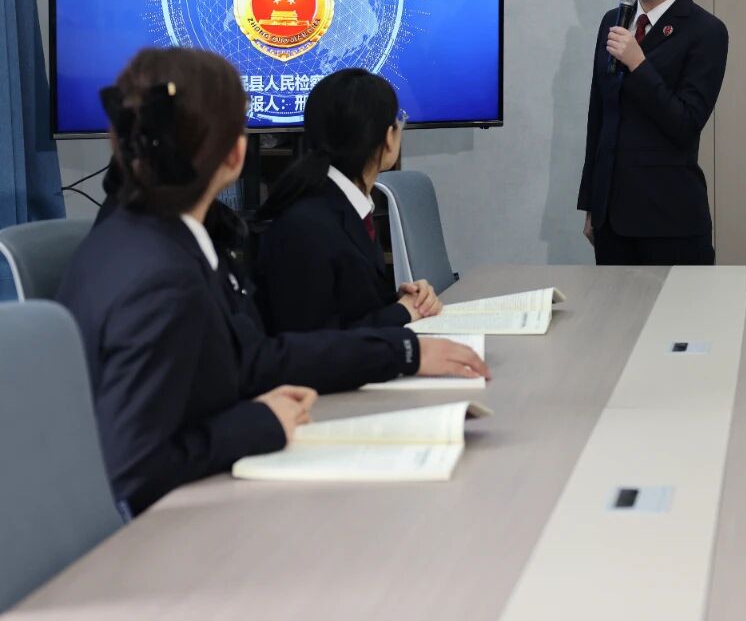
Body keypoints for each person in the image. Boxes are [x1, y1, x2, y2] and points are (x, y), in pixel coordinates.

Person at [60, 49, 487, 516]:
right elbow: (133, 469)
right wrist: (259, 423)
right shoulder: (162, 276)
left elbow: (255, 357)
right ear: (235, 153)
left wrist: (404, 353)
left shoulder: (159, 234)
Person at [577, 0, 729, 266]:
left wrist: (638, 63)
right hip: (611, 220)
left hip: (669, 219)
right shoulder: (614, 21)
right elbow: (599, 118)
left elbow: (685, 123)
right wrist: (592, 204)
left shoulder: (706, 31)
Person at [255, 69, 443, 334]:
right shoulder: (305, 225)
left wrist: (399, 301)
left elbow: (348, 308)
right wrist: (401, 312)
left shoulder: (348, 205)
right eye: (398, 122)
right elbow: (311, 342)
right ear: (387, 138)